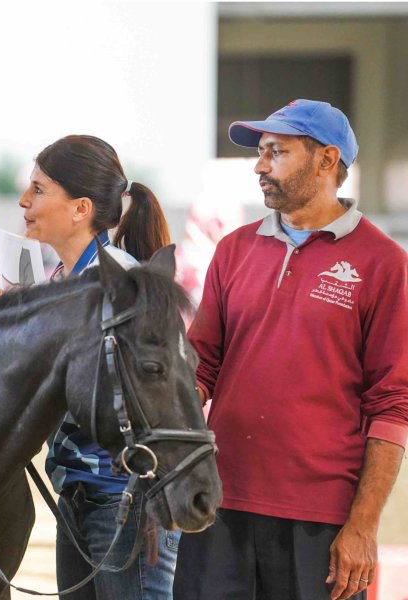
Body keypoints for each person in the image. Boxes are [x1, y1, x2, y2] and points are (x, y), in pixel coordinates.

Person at [0, 135, 178, 600]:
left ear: (79, 208)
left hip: (124, 501)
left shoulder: (119, 284)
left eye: (38, 189)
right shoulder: (67, 278)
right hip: (82, 496)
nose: (23, 201)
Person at [174, 100, 408, 600]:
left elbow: (391, 404)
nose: (260, 166)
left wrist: (363, 527)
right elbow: (201, 367)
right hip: (219, 504)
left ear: (327, 160)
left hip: (321, 522)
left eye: (275, 152)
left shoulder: (384, 264)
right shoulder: (234, 249)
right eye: (260, 153)